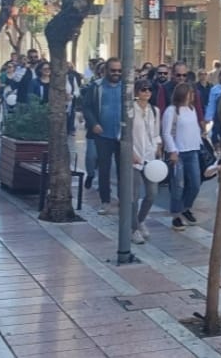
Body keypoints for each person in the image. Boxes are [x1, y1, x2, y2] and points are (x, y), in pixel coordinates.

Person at [82, 58, 124, 214]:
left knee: (123, 170)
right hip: (103, 135)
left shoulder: (126, 87)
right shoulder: (96, 86)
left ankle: (123, 200)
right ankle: (105, 201)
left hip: (122, 135)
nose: (116, 73)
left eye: (119, 70)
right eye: (113, 70)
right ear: (106, 71)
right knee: (104, 169)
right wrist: (94, 124)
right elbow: (86, 107)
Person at [162, 83, 203, 231]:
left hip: (193, 150)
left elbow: (195, 129)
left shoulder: (192, 109)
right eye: (189, 93)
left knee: (195, 183)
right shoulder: (171, 111)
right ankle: (176, 215)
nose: (192, 96)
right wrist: (172, 150)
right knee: (178, 186)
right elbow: (166, 132)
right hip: (178, 153)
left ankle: (186, 207)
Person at [130, 79, 161, 244]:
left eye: (149, 89)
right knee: (133, 196)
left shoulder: (154, 111)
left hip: (150, 158)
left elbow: (156, 134)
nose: (147, 92)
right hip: (134, 157)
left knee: (152, 193)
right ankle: (133, 229)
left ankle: (140, 220)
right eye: (143, 89)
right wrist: (131, 153)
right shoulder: (130, 110)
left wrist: (158, 147)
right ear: (137, 92)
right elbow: (122, 134)